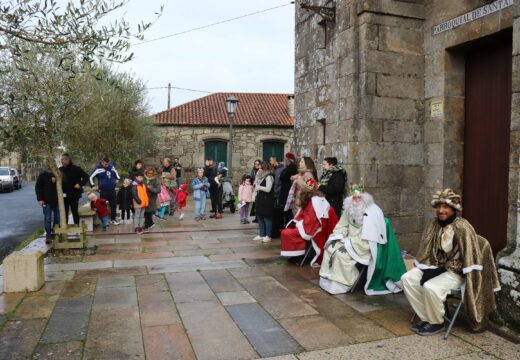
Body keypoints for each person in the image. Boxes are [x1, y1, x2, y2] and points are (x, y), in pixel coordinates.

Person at [402, 189, 501, 336]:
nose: (441, 211)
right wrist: (430, 267)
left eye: (445, 207)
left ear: (453, 209)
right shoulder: (434, 224)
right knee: (407, 279)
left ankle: (437, 323)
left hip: (457, 271)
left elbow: (470, 256)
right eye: (439, 207)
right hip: (437, 266)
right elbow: (427, 249)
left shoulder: (462, 226)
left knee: (431, 287)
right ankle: (427, 317)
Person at [319, 184, 406, 295]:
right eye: (354, 198)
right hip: (348, 241)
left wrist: (348, 244)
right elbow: (342, 225)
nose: (356, 200)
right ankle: (329, 282)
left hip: (363, 245)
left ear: (364, 198)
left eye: (359, 197)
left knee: (342, 256)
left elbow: (370, 237)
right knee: (330, 249)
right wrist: (337, 237)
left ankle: (340, 285)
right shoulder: (349, 210)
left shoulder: (372, 212)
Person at [280, 178, 338, 266]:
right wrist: (296, 222)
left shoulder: (315, 201)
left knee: (288, 233)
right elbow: (303, 214)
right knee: (286, 231)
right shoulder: (310, 199)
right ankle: (296, 255)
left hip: (314, 228)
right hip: (307, 225)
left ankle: (299, 256)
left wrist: (299, 224)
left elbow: (312, 220)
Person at [89, 157, 120, 225]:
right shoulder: (98, 168)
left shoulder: (111, 167)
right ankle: (104, 221)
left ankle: (113, 219)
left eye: (108, 164)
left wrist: (117, 179)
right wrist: (93, 185)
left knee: (113, 205)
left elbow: (117, 174)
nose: (107, 165)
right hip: (103, 191)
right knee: (103, 206)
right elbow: (90, 177)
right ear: (102, 163)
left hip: (112, 190)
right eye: (105, 164)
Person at [59, 153, 89, 225]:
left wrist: (80, 184)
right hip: (63, 195)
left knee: (74, 211)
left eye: (63, 160)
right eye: (61, 160)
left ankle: (77, 226)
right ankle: (64, 228)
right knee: (64, 212)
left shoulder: (76, 168)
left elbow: (86, 176)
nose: (61, 161)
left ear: (67, 160)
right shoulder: (60, 169)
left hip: (74, 194)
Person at [35, 166, 60, 243]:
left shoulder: (58, 175)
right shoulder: (42, 176)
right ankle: (48, 236)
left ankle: (55, 232)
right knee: (47, 219)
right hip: (46, 202)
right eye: (50, 167)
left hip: (57, 201)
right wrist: (40, 199)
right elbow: (37, 187)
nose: (51, 168)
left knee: (57, 218)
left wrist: (56, 181)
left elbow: (64, 184)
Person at [252, 162, 275, 243]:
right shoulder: (260, 176)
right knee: (260, 217)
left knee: (267, 218)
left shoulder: (269, 177)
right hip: (260, 199)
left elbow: (268, 189)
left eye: (261, 168)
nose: (259, 169)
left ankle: (268, 236)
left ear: (265, 169)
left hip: (267, 200)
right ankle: (261, 234)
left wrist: (258, 187)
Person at [279, 152, 298, 225]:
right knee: (285, 210)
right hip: (285, 190)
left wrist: (282, 175)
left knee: (288, 210)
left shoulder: (292, 167)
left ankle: (288, 225)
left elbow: (283, 177)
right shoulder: (287, 167)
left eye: (285, 159)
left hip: (288, 191)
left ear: (288, 160)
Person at [270, 156, 285, 238]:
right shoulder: (273, 168)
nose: (270, 161)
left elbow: (278, 182)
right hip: (274, 193)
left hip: (278, 193)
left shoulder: (280, 169)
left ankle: (279, 230)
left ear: (274, 160)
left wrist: (276, 191)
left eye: (270, 160)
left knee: (278, 212)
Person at [131, 170, 148, 234]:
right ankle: (136, 228)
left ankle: (141, 226)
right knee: (137, 215)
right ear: (136, 177)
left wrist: (146, 201)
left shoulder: (143, 184)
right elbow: (134, 194)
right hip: (138, 203)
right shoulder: (135, 184)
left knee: (142, 215)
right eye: (140, 177)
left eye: (142, 177)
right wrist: (138, 200)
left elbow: (145, 194)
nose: (141, 178)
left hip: (143, 203)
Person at [144, 167, 161, 231]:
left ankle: (146, 226)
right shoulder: (143, 179)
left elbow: (158, 190)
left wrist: (150, 188)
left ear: (153, 173)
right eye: (148, 173)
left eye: (151, 173)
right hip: (144, 198)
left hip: (151, 199)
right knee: (145, 212)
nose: (149, 174)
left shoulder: (156, 180)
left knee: (148, 212)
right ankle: (151, 223)